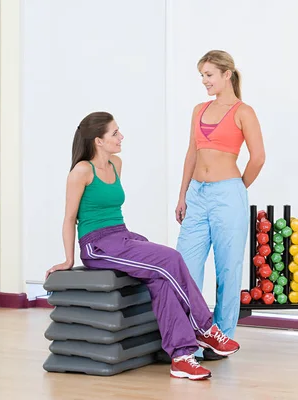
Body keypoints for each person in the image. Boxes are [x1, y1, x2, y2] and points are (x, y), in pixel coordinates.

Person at [45, 111, 239, 380]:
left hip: (121, 235)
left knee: (161, 279)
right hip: (97, 245)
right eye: (114, 133)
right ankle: (204, 328)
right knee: (170, 258)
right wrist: (67, 259)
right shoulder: (81, 171)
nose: (120, 136)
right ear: (98, 140)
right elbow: (69, 218)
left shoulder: (116, 164)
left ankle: (182, 357)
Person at [175, 50, 265, 361]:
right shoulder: (198, 109)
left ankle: (221, 336)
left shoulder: (243, 112)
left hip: (228, 195)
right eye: (202, 75)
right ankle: (186, 335)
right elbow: (191, 154)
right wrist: (182, 194)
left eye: (209, 75)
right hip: (197, 196)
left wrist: (237, 188)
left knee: (228, 269)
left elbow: (258, 158)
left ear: (227, 74)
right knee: (185, 267)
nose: (204, 81)